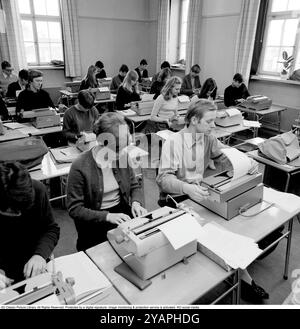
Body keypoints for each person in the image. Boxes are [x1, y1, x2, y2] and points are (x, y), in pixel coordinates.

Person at [156, 99, 269, 302]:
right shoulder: (173, 143)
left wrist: (246, 162)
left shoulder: (206, 137)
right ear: (193, 120)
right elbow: (164, 180)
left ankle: (239, 274)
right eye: (209, 121)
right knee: (213, 236)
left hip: (199, 195)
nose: (213, 126)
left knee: (228, 228)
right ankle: (245, 280)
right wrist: (186, 187)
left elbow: (224, 155)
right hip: (176, 198)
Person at [67, 112, 147, 251]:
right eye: (116, 149)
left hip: (121, 213)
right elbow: (75, 209)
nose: (122, 153)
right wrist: (107, 216)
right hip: (93, 221)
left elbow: (135, 185)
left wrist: (136, 202)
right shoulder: (80, 166)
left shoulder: (122, 156)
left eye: (125, 147)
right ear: (100, 142)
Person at [0, 162, 60, 288]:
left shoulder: (38, 191)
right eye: (14, 212)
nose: (19, 215)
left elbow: (51, 229)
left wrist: (40, 255)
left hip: (34, 265)